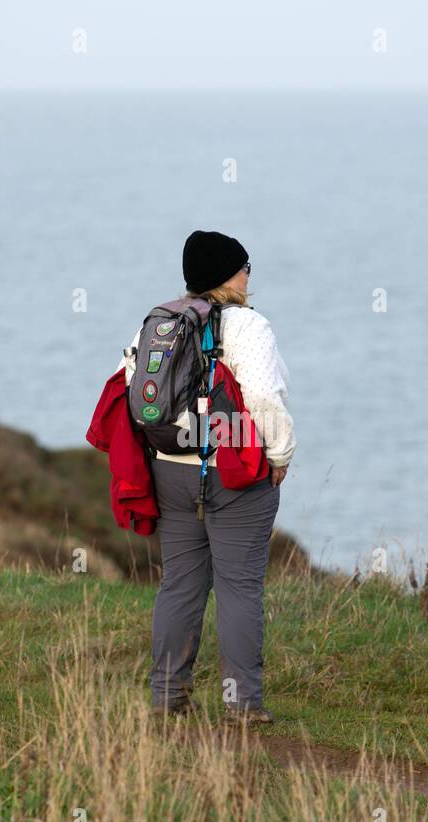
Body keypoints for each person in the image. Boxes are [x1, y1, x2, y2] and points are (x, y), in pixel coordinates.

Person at [120, 230, 295, 723]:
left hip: (170, 469)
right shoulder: (248, 327)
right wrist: (280, 454)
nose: (249, 277)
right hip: (234, 472)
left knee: (179, 585)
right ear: (227, 276)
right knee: (239, 587)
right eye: (244, 268)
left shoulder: (157, 323)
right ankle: (241, 704)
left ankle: (167, 697)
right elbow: (261, 399)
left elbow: (126, 386)